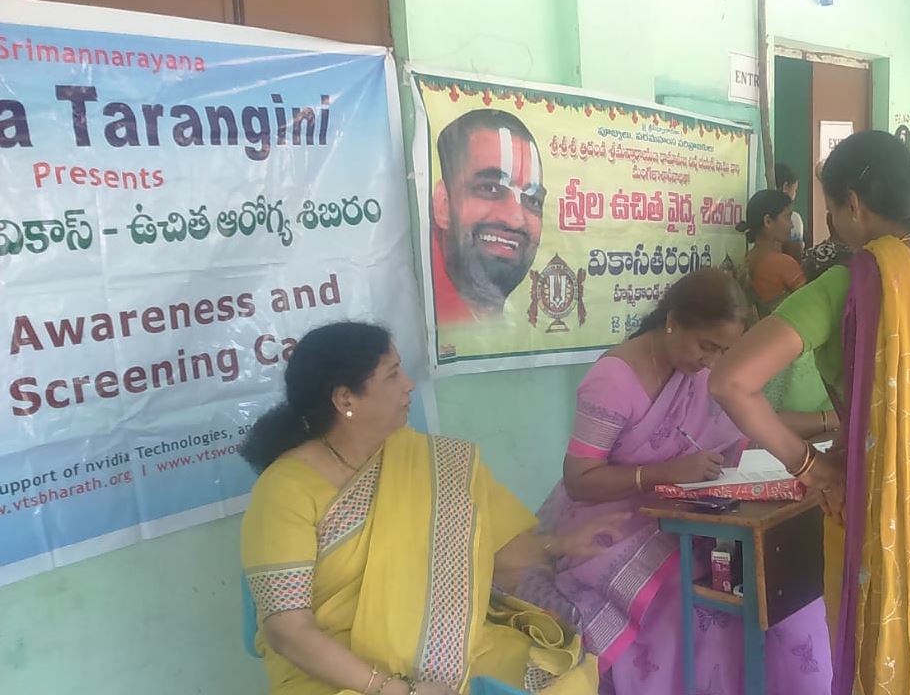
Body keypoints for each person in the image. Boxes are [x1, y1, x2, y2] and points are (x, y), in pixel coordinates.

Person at [710, 130, 910, 695]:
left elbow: (730, 381)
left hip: (878, 507)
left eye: (830, 211)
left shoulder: (844, 289)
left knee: (885, 661)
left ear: (853, 203)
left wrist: (808, 467)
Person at [239, 322, 615, 695]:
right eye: (391, 375)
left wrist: (559, 546)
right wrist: (390, 689)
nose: (408, 384)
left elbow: (496, 550)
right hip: (337, 672)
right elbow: (287, 630)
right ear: (345, 400)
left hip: (449, 649)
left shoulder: (433, 462)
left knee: (562, 678)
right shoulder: (284, 490)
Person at [523, 269, 833, 695]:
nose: (712, 360)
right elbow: (579, 480)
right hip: (610, 525)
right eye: (707, 346)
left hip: (685, 513)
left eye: (723, 350)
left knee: (754, 581)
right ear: (673, 320)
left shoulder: (702, 375)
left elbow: (756, 422)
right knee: (683, 595)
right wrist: (665, 473)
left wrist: (831, 422)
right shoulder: (613, 380)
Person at [431, 109, 546, 324]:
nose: (516, 220)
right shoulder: (418, 316)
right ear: (443, 205)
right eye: (490, 188)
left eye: (532, 200)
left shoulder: (514, 325)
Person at [737, 189, 806, 316]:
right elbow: (808, 307)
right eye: (787, 217)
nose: (791, 225)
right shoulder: (784, 263)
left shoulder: (745, 260)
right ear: (768, 221)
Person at [776, 162, 807, 260]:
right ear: (786, 187)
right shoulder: (794, 219)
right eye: (795, 189)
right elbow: (796, 255)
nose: (795, 194)